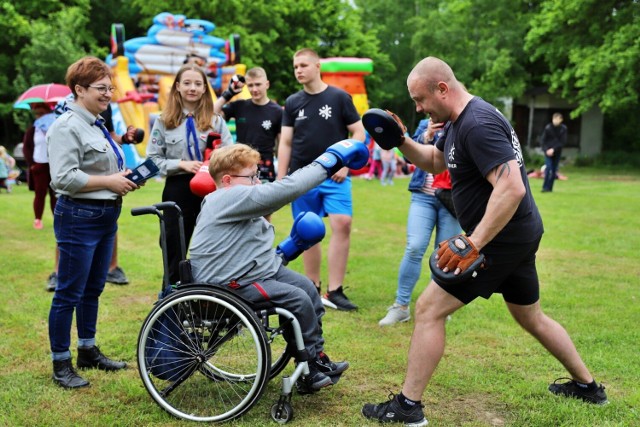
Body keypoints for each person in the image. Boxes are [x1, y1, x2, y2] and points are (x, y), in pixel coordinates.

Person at [361, 57, 607, 425]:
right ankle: (589, 388)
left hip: (501, 238)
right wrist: (401, 142)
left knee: (428, 310)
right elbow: (434, 162)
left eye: (420, 99)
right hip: (517, 233)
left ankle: (407, 408)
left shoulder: (477, 123)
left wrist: (473, 242)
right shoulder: (457, 122)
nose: (418, 108)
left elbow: (511, 187)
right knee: (530, 315)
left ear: (442, 88)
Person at [189, 140, 367, 390]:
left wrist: (289, 248)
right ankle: (309, 367)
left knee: (307, 288)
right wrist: (329, 161)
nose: (258, 182)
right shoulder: (226, 197)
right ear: (227, 180)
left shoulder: (233, 200)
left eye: (257, 175)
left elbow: (249, 247)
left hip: (247, 273)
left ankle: (315, 357)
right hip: (229, 284)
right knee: (297, 299)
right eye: (251, 177)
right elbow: (285, 190)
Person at [47, 56, 139, 389]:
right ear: (79, 89)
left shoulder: (95, 124)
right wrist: (110, 182)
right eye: (101, 88)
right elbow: (63, 178)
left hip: (104, 217)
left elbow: (100, 169)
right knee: (68, 293)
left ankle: (87, 350)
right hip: (79, 217)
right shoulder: (66, 127)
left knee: (93, 289)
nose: (109, 94)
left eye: (110, 87)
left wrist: (123, 179)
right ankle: (61, 364)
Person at [277, 48, 365, 310]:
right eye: (295, 67)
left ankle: (335, 290)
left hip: (334, 174)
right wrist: (282, 178)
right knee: (307, 230)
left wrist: (345, 163)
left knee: (343, 223)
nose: (299, 70)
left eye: (303, 65)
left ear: (317, 66)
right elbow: (286, 142)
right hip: (302, 176)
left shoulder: (339, 97)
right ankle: (312, 288)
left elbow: (358, 132)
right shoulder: (293, 102)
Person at [147, 64, 233, 286]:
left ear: (205, 88)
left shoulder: (216, 121)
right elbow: (153, 160)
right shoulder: (163, 121)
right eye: (187, 83)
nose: (192, 88)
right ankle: (172, 298)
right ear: (177, 87)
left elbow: (231, 157)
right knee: (173, 245)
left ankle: (209, 296)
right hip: (178, 187)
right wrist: (181, 164)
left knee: (212, 244)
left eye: (197, 83)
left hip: (211, 190)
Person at [378, 118, 461, 326]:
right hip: (423, 196)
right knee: (414, 247)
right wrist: (427, 137)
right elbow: (408, 157)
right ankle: (401, 306)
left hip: (452, 200)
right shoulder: (426, 123)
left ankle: (437, 307)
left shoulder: (464, 124)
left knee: (445, 255)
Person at [214, 67, 282, 182]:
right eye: (250, 85)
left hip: (266, 169)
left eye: (258, 84)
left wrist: (281, 173)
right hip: (240, 167)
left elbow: (281, 145)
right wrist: (228, 94)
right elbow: (213, 115)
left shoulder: (278, 111)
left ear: (267, 84)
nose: (254, 89)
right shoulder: (239, 106)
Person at [541, 112, 567, 193]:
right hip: (548, 152)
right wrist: (546, 150)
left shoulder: (563, 129)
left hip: (557, 152)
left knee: (554, 170)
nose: (555, 121)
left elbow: (562, 142)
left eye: (557, 119)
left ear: (561, 120)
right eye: (554, 119)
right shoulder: (548, 128)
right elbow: (543, 141)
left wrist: (554, 149)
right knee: (548, 168)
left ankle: (550, 188)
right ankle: (545, 187)